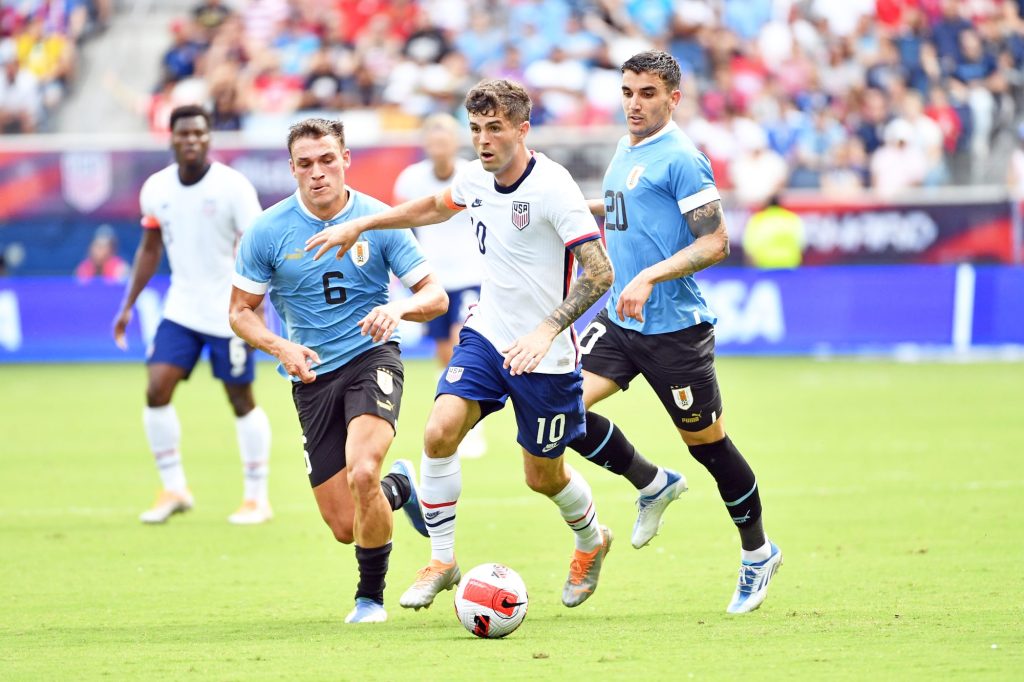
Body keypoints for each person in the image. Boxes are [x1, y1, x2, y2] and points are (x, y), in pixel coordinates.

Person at [306, 79, 616, 610]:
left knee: (542, 476)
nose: (483, 139)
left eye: (495, 128)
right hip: (488, 332)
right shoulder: (474, 178)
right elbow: (432, 206)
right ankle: (443, 560)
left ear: (523, 129)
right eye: (476, 128)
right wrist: (363, 223)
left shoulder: (554, 188)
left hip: (547, 354)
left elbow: (599, 273)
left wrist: (545, 331)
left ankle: (591, 539)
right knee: (439, 431)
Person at [574, 51, 783, 614]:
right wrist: (565, 214)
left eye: (647, 93)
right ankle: (650, 482)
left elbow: (715, 241)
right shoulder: (625, 147)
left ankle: (758, 552)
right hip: (620, 321)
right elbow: (624, 207)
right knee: (558, 410)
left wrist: (648, 274)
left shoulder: (685, 159)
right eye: (627, 92)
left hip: (674, 331)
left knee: (709, 448)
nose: (635, 103)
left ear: (673, 98)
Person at [229, 117, 448, 624]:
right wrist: (279, 345)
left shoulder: (380, 219)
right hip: (310, 377)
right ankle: (402, 489)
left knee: (363, 469)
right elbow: (240, 312)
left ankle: (370, 599)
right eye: (305, 163)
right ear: (292, 169)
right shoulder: (267, 231)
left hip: (373, 359)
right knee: (346, 524)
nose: (318, 172)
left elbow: (434, 296)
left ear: (346, 159)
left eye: (328, 159)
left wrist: (397, 311)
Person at [113, 104, 273, 526]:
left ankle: (257, 497)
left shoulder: (232, 187)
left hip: (231, 310)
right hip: (181, 307)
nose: (191, 140)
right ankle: (174, 488)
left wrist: (259, 308)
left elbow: (257, 248)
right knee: (156, 388)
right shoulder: (156, 188)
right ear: (171, 138)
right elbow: (150, 248)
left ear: (209, 138)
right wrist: (128, 304)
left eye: (198, 133)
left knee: (240, 399)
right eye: (183, 133)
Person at [392, 112, 487, 458]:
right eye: (433, 140)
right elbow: (406, 228)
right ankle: (450, 420)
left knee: (463, 344)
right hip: (433, 279)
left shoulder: (472, 175)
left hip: (470, 275)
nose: (439, 147)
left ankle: (474, 428)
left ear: (456, 142)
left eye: (445, 139)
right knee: (444, 355)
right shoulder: (410, 181)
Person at [742, 195, 805, 269]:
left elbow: (749, 247)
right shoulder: (792, 218)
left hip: (764, 265)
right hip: (789, 264)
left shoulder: (757, 220)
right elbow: (801, 243)